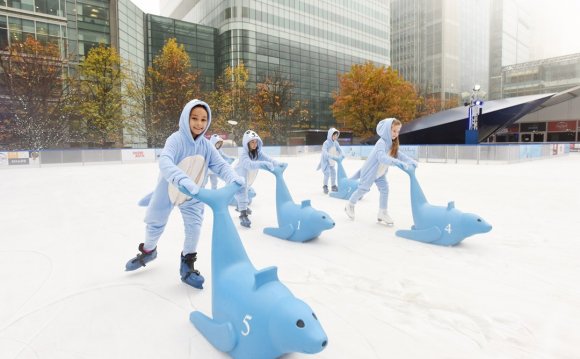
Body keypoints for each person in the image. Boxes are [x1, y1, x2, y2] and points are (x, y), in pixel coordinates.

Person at [125, 99, 244, 289]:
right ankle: (149, 250)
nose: (199, 123)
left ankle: (187, 264)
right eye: (194, 118)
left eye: (204, 119)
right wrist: (182, 180)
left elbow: (220, 165)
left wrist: (234, 177)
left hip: (194, 195)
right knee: (154, 223)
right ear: (186, 118)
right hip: (169, 191)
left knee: (194, 229)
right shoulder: (176, 140)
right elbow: (165, 161)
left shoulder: (207, 146)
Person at [345, 118, 417, 225]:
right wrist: (397, 162)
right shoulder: (381, 142)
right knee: (363, 190)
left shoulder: (393, 144)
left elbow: (399, 155)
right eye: (394, 131)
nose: (396, 134)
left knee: (385, 189)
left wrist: (411, 161)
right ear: (387, 130)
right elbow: (381, 157)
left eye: (398, 131)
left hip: (380, 173)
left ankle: (382, 212)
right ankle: (350, 204)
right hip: (370, 171)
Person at [234, 130, 285, 228]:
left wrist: (277, 163)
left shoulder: (257, 152)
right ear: (247, 143)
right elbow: (249, 165)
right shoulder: (244, 154)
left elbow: (268, 159)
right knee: (242, 192)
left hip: (247, 175)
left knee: (245, 190)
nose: (254, 144)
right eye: (252, 142)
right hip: (238, 175)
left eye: (256, 142)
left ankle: (240, 207)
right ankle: (243, 215)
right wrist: (262, 164)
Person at [317, 127, 344, 194]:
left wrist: (342, 154)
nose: (335, 137)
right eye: (334, 135)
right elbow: (324, 152)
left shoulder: (336, 143)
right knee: (327, 173)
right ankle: (325, 186)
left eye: (336, 136)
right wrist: (330, 155)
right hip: (326, 161)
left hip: (332, 161)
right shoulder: (326, 143)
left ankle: (333, 186)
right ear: (330, 135)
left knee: (333, 173)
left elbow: (340, 150)